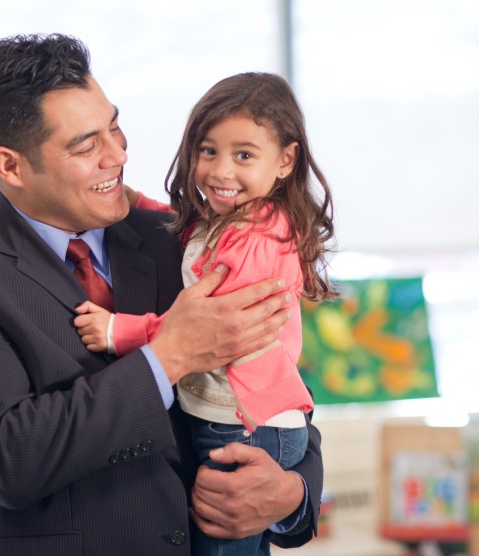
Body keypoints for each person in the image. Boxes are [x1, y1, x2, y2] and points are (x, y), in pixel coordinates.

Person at [0, 34, 323, 556]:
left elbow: (272, 380)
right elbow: (9, 459)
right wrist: (168, 356)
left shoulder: (178, 238)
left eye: (115, 128)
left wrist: (291, 493)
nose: (118, 155)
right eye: (86, 145)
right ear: (11, 166)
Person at [73, 72, 337, 555]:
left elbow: (207, 330)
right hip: (238, 415)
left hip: (242, 424)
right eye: (207, 150)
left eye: (243, 155)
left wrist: (119, 331)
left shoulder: (257, 241)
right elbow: (190, 231)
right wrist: (137, 204)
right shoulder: (237, 219)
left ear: (285, 160)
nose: (220, 170)